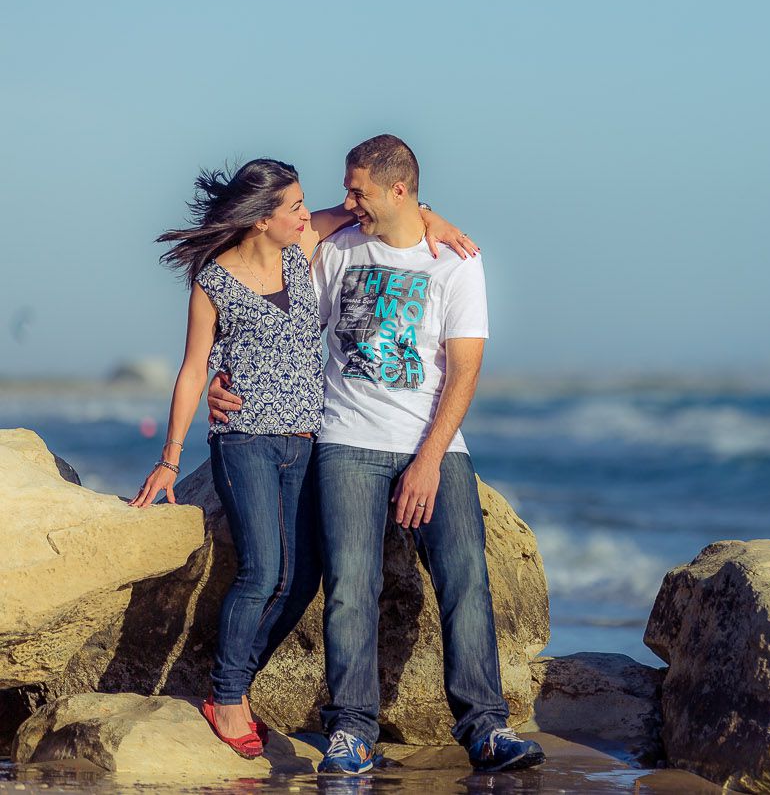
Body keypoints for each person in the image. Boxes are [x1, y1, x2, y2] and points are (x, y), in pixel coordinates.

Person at [209, 134, 544, 774]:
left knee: (466, 580)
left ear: (398, 190)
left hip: (435, 446)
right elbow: (248, 277)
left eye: (357, 189)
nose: (346, 200)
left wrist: (427, 460)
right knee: (349, 587)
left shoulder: (456, 262)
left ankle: (485, 729)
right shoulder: (337, 248)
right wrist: (217, 376)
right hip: (346, 442)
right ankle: (352, 733)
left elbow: (464, 371)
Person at [134, 157, 474, 759]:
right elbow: (193, 369)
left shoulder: (302, 250)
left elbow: (379, 207)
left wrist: (431, 217)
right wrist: (168, 457)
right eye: (293, 204)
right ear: (263, 218)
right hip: (244, 440)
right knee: (263, 571)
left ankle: (229, 687)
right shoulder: (213, 280)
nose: (306, 211)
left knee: (304, 577)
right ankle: (230, 694)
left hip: (309, 441)